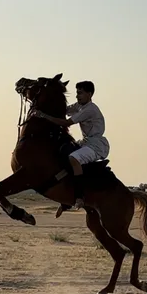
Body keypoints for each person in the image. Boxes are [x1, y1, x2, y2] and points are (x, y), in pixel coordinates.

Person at [33, 80, 109, 214]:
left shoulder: (90, 109)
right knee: (61, 150)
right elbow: (64, 111)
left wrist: (43, 116)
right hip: (85, 142)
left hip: (96, 146)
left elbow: (66, 122)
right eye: (77, 93)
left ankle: (80, 197)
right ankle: (66, 198)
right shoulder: (79, 106)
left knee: (74, 158)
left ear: (89, 94)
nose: (77, 96)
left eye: (80, 93)